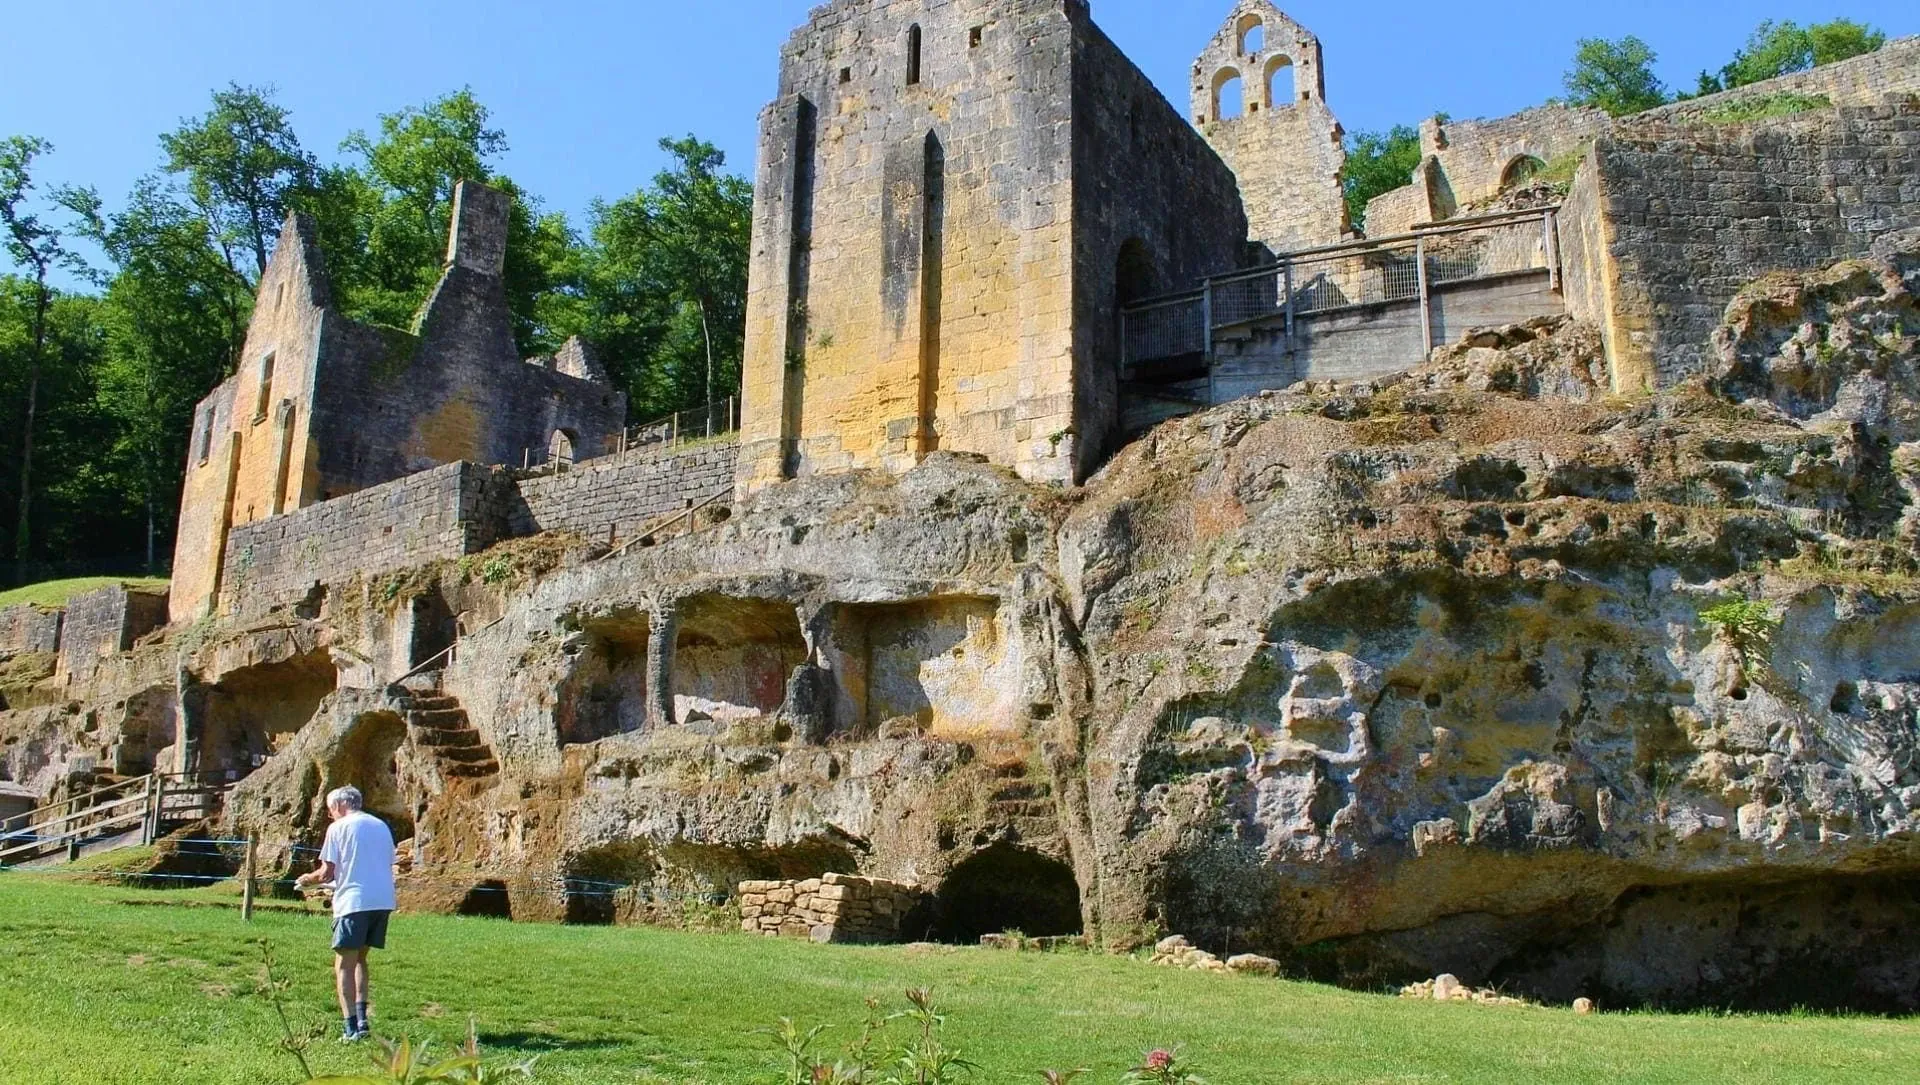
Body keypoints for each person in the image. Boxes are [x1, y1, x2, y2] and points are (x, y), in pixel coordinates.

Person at [294, 785, 396, 1042]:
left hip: (353, 902)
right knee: (361, 958)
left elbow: (326, 873)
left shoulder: (338, 828)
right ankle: (362, 1021)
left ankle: (350, 1027)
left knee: (343, 964)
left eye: (330, 811)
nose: (331, 816)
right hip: (381, 901)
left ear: (338, 806)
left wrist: (307, 879)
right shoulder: (380, 826)